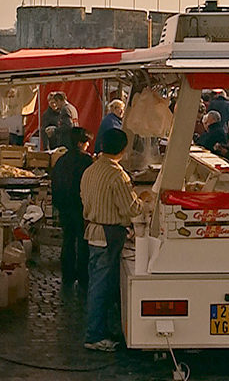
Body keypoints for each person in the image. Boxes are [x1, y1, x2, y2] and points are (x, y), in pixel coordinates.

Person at [81, 128, 145, 352]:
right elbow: (131, 208)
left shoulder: (91, 170)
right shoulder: (118, 175)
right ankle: (95, 335)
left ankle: (99, 330)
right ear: (123, 149)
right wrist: (147, 203)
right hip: (107, 235)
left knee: (98, 285)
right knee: (100, 287)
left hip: (93, 233)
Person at [51, 127, 94, 287]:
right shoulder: (86, 161)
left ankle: (68, 274)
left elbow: (55, 184)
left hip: (64, 206)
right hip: (80, 207)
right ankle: (83, 276)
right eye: (86, 142)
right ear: (80, 143)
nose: (88, 145)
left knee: (68, 239)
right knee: (83, 241)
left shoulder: (61, 161)